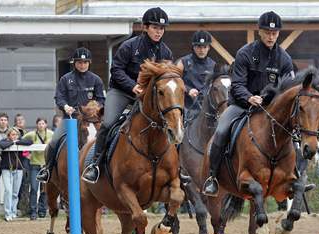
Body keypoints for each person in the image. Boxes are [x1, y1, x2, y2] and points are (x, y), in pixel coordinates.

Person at [202, 11, 295, 196]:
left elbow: (288, 88)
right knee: (221, 131)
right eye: (267, 32)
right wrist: (249, 98)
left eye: (274, 33)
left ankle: (295, 175)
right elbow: (236, 85)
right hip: (241, 105)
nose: (271, 36)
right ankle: (212, 177)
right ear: (259, 32)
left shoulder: (284, 59)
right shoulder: (245, 53)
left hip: (269, 109)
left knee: (293, 134)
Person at [82, 7, 173, 183]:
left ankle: (176, 168)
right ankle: (95, 164)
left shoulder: (166, 52)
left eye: (161, 28)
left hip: (148, 97)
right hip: (122, 92)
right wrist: (133, 87)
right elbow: (116, 70)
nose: (158, 32)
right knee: (108, 124)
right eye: (155, 27)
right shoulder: (129, 46)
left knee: (171, 123)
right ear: (145, 27)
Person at [35, 46, 105, 183]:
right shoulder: (65, 79)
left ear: (89, 63)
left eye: (85, 62)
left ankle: (99, 168)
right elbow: (59, 97)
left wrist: (96, 107)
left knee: (107, 138)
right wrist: (65, 106)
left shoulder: (96, 80)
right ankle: (47, 169)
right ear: (74, 63)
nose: (82, 65)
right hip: (70, 119)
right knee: (53, 142)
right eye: (79, 62)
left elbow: (102, 99)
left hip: (92, 120)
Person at [176, 30, 216, 121]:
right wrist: (188, 90)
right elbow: (174, 81)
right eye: (198, 47)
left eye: (204, 47)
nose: (201, 50)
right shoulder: (182, 62)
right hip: (185, 106)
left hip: (206, 108)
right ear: (193, 47)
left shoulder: (213, 65)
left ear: (209, 47)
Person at [0, 127, 32, 221]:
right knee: (8, 191)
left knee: (15, 193)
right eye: (12, 134)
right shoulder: (4, 140)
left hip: (18, 169)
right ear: (9, 135)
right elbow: (1, 145)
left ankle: (13, 211)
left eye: (16, 134)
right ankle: (7, 213)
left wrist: (17, 141)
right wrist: (13, 142)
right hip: (6, 169)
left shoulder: (20, 141)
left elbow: (29, 142)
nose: (14, 136)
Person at [23, 118, 54, 220]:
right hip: (35, 165)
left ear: (46, 124)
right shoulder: (32, 134)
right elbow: (21, 140)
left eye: (43, 123)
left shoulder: (51, 134)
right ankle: (33, 211)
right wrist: (27, 154)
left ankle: (42, 210)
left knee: (44, 190)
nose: (41, 125)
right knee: (34, 188)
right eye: (39, 123)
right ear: (36, 125)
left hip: (45, 165)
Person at [14, 113, 30, 217]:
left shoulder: (27, 133)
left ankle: (24, 207)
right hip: (15, 161)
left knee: (25, 184)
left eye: (22, 120)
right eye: (18, 120)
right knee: (16, 186)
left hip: (25, 161)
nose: (20, 122)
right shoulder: (13, 132)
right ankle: (16, 208)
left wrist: (27, 154)